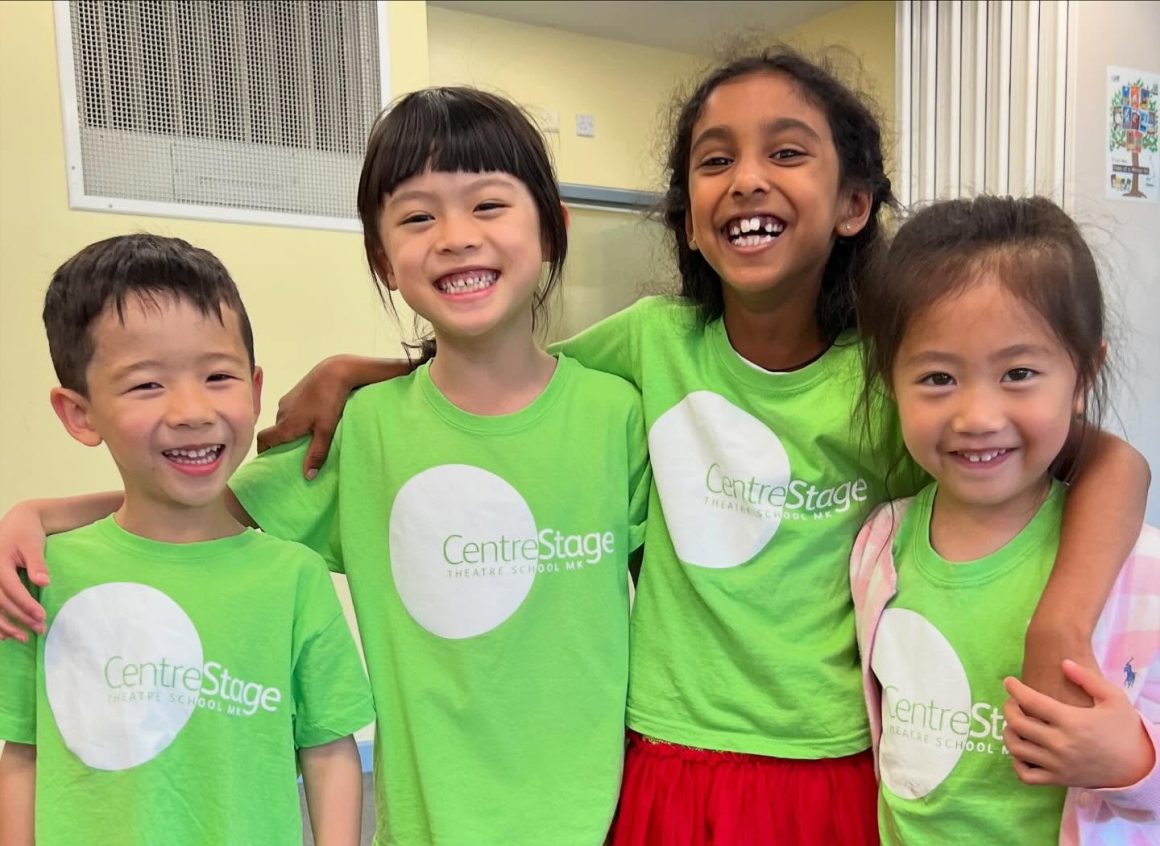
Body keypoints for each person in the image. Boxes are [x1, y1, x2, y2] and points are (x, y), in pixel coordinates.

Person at [231, 47, 1152, 844]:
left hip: (833, 761)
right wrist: (370, 371)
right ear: (688, 216)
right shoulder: (651, 344)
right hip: (666, 757)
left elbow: (1110, 461)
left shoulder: (900, 382)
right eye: (716, 160)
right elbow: (505, 372)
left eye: (786, 152)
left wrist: (1058, 625)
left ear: (853, 203)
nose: (747, 178)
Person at [0, 88, 650, 845]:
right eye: (418, 217)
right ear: (382, 257)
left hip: (610, 821)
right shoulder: (361, 432)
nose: (456, 237)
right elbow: (192, 509)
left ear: (553, 228)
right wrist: (43, 515)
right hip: (426, 831)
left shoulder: (618, 415)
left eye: (488, 205)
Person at [0, 234, 374, 846]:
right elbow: (24, 750)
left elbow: (328, 749)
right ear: (79, 414)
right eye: (147, 385)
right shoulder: (44, 575)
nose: (193, 410)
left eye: (218, 376)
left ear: (255, 389)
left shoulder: (295, 578)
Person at [851, 195, 1159, 844]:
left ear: (1083, 376)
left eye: (1018, 373)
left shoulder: (1138, 570)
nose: (978, 417)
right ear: (890, 379)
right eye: (937, 378)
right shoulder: (880, 545)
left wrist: (1135, 761)